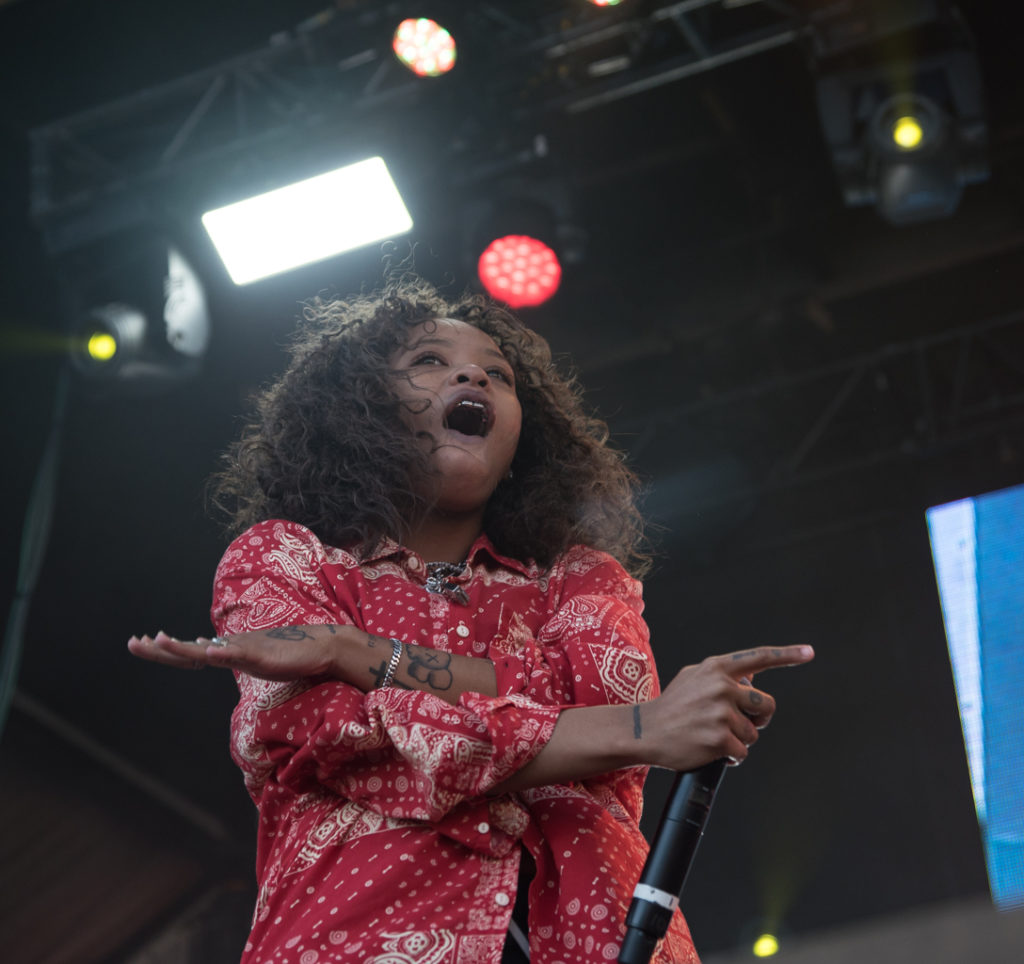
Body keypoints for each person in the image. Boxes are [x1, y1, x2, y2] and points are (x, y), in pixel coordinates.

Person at [128, 277, 813, 964]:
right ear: (359, 412)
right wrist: (618, 727)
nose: (472, 376)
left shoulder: (581, 577)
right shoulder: (283, 557)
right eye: (428, 360)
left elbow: (606, 706)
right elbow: (328, 735)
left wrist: (352, 651)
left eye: (499, 374)